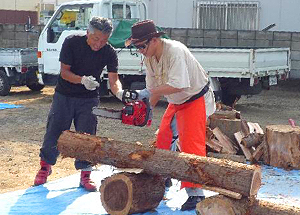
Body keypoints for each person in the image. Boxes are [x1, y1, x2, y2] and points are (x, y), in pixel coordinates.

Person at [126, 20, 216, 210]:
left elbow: (179, 84)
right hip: (177, 100)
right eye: (137, 46)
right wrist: (143, 111)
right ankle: (163, 174)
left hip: (194, 98)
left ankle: (196, 194)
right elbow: (152, 89)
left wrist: (149, 94)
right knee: (163, 137)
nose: (140, 50)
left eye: (142, 46)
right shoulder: (149, 58)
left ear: (155, 40)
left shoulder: (174, 51)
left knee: (192, 144)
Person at [34, 16, 127, 192]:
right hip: (64, 95)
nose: (99, 43)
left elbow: (114, 80)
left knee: (87, 136)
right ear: (88, 33)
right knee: (54, 130)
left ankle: (85, 174)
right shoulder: (71, 42)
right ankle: (45, 167)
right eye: (96, 39)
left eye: (104, 40)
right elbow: (64, 73)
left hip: (89, 99)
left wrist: (120, 93)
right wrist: (82, 80)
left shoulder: (109, 51)